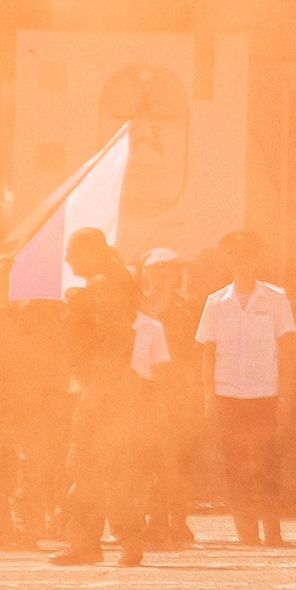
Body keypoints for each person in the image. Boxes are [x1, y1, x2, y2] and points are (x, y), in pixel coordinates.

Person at [52, 229, 150, 567]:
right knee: (119, 464)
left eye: (72, 251)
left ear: (90, 251)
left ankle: (86, 544)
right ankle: (129, 540)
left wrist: (94, 378)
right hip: (118, 384)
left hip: (104, 384)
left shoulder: (101, 285)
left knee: (85, 464)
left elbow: (113, 336)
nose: (68, 259)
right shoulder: (117, 281)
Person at [195, 230, 295, 546]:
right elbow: (207, 352)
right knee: (234, 464)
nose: (242, 263)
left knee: (267, 463)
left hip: (264, 394)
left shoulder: (276, 299)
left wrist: (285, 394)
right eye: (235, 257)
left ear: (257, 259)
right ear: (227, 261)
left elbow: (287, 348)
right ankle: (247, 533)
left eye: (248, 256)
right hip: (228, 396)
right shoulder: (215, 302)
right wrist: (208, 398)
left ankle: (272, 531)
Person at [136, 248, 201, 548]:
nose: (162, 275)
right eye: (156, 269)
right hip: (139, 391)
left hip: (175, 394)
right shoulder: (134, 305)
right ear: (145, 272)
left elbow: (197, 349)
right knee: (144, 459)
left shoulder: (187, 308)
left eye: (168, 270)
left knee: (174, 460)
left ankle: (174, 519)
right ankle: (154, 519)